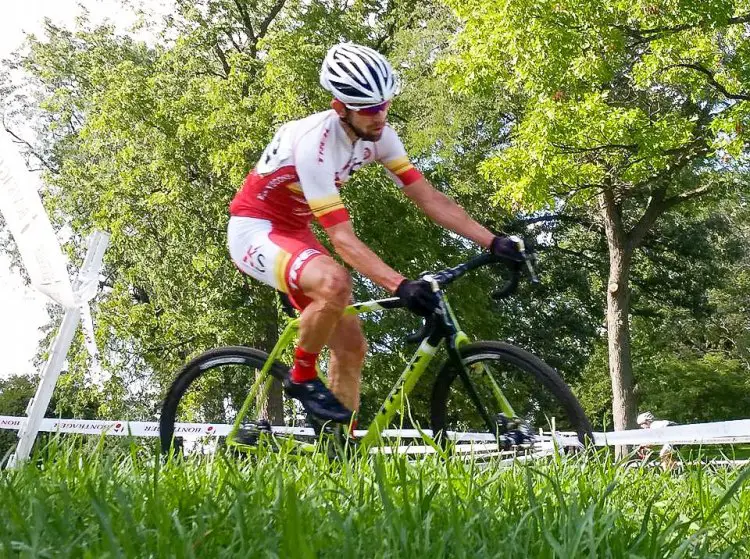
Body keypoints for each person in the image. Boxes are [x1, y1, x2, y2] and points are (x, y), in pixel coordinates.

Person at [227, 43, 523, 425]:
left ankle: (340, 455)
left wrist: (493, 240)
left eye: (384, 104)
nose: (379, 115)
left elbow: (429, 198)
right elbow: (343, 240)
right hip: (256, 230)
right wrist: (400, 286)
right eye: (368, 109)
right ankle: (301, 375)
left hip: (296, 232)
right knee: (335, 282)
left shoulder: (381, 135)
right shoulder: (313, 143)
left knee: (351, 348)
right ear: (340, 108)